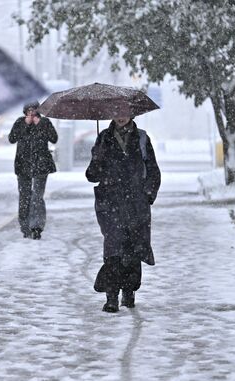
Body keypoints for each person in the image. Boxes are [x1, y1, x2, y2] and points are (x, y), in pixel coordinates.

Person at [86, 116, 161, 313]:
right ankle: (111, 296)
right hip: (110, 203)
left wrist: (148, 194)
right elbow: (91, 175)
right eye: (116, 110)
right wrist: (97, 158)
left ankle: (129, 290)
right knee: (113, 248)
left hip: (136, 203)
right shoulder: (103, 138)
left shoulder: (142, 139)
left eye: (124, 110)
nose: (120, 115)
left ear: (132, 114)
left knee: (133, 248)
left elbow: (153, 170)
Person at [9, 101, 58, 240]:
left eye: (34, 110)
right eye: (29, 110)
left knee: (37, 196)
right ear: (25, 111)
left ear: (38, 110)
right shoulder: (20, 122)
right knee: (25, 197)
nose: (31, 112)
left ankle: (36, 227)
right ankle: (25, 227)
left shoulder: (45, 122)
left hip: (41, 165)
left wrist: (40, 125)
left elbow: (54, 138)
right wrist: (25, 124)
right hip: (23, 165)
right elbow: (12, 138)